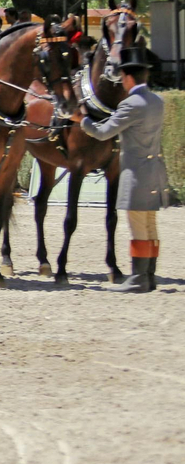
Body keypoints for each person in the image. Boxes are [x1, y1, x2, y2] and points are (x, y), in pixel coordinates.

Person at [79, 45, 165, 292]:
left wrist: (81, 120)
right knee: (149, 224)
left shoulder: (131, 105)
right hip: (154, 172)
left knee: (138, 224)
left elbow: (103, 132)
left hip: (135, 174)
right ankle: (149, 275)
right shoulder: (156, 101)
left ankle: (138, 279)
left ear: (128, 78)